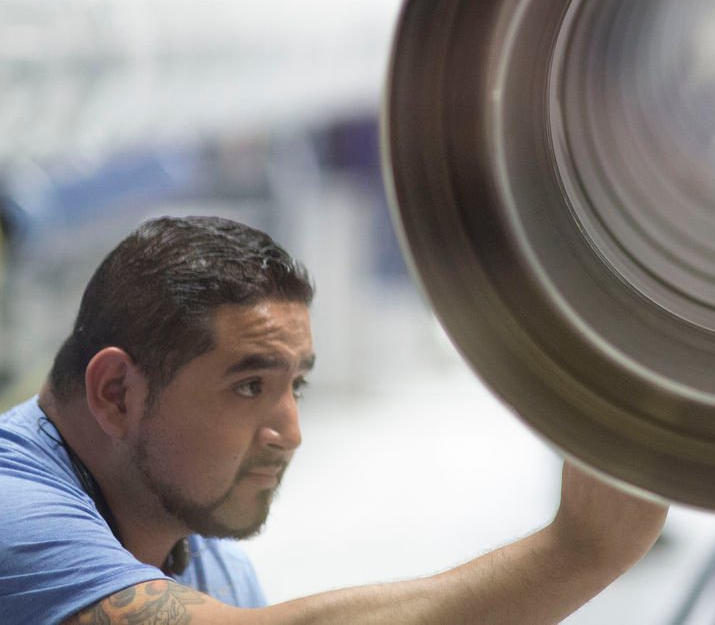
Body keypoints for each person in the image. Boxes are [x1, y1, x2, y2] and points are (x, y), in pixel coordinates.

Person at [0, 215, 668, 624]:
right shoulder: (15, 513)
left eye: (298, 386)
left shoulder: (206, 560)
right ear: (115, 392)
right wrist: (578, 550)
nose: (289, 432)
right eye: (250, 386)